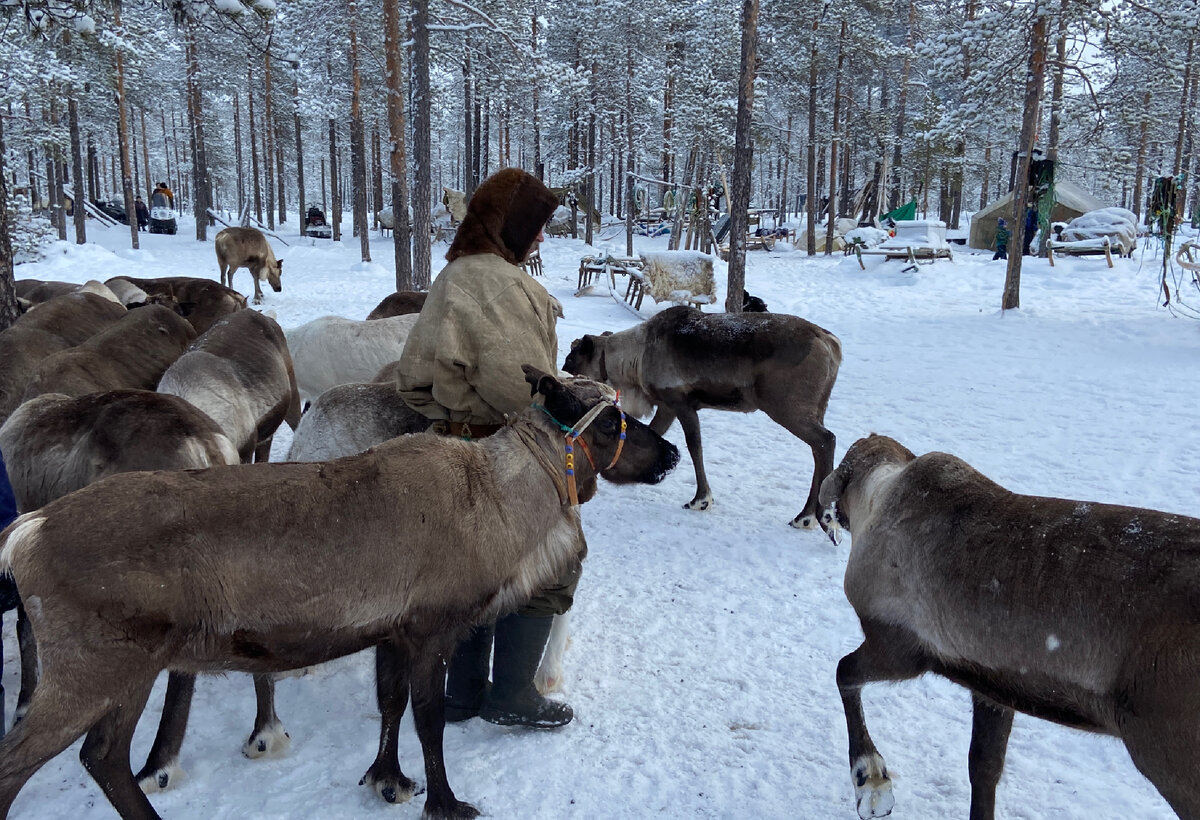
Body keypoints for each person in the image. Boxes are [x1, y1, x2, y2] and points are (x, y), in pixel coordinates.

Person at [395, 167, 576, 729]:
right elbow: (522, 387)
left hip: (449, 450)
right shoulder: (502, 284)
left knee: (464, 573)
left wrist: (453, 414)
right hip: (504, 452)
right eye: (536, 226)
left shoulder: (454, 275)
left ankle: (462, 692)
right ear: (510, 225)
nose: (542, 238)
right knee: (553, 560)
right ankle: (513, 694)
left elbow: (413, 382)